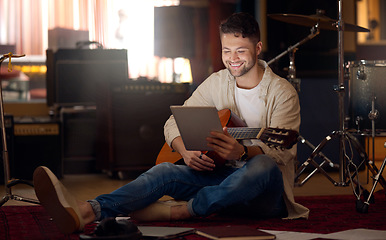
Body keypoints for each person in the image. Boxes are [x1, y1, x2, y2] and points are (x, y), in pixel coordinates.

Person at [33, 12, 309, 235]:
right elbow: (174, 122)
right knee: (165, 170)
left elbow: (282, 152)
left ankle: (181, 211)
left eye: (241, 51)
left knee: (261, 165)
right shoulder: (216, 82)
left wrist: (244, 152)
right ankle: (86, 211)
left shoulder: (281, 92)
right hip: (220, 179)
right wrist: (184, 149)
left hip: (262, 197)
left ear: (258, 48)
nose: (232, 59)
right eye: (227, 51)